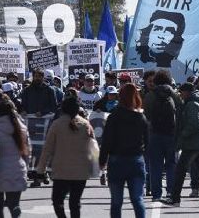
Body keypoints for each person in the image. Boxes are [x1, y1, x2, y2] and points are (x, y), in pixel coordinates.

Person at [36, 98, 96, 218]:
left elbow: (47, 149)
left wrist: (40, 170)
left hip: (61, 171)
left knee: (57, 201)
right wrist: (95, 167)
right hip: (81, 171)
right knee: (75, 202)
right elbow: (93, 147)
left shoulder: (57, 124)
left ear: (62, 109)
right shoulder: (85, 124)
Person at [161, 83, 199, 208]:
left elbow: (194, 124)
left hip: (192, 143)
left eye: (182, 92)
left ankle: (175, 198)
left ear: (187, 92)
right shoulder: (198, 102)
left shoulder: (192, 104)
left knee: (180, 170)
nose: (181, 94)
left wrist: (182, 135)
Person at [99, 83, 148, 218]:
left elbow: (107, 141)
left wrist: (102, 161)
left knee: (116, 201)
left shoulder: (114, 116)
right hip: (136, 160)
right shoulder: (141, 117)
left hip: (117, 160)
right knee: (137, 199)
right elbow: (148, 141)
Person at [143, 70, 178, 202]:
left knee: (155, 165)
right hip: (171, 133)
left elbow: (146, 115)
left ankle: (156, 194)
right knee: (171, 164)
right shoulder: (174, 94)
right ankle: (171, 192)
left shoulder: (149, 96)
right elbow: (180, 109)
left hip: (154, 134)